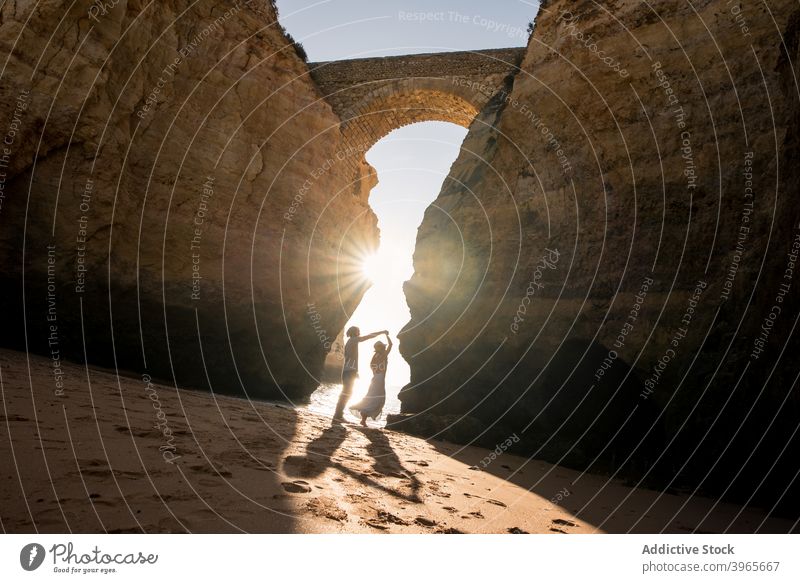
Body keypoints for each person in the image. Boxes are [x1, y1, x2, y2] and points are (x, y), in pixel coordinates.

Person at [333, 326, 387, 421]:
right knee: (346, 393)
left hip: (348, 371)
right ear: (355, 332)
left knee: (347, 392)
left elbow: (348, 357)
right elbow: (369, 336)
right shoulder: (353, 340)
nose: (360, 332)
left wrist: (355, 371)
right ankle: (338, 415)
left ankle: (338, 414)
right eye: (358, 331)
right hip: (349, 371)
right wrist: (381, 331)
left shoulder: (350, 342)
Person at [350, 333, 392, 427]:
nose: (384, 348)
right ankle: (363, 419)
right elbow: (391, 345)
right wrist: (386, 335)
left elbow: (371, 367)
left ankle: (363, 419)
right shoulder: (383, 355)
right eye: (382, 347)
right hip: (380, 380)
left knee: (370, 398)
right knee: (377, 400)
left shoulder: (374, 357)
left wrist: (376, 372)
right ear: (381, 347)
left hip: (374, 379)